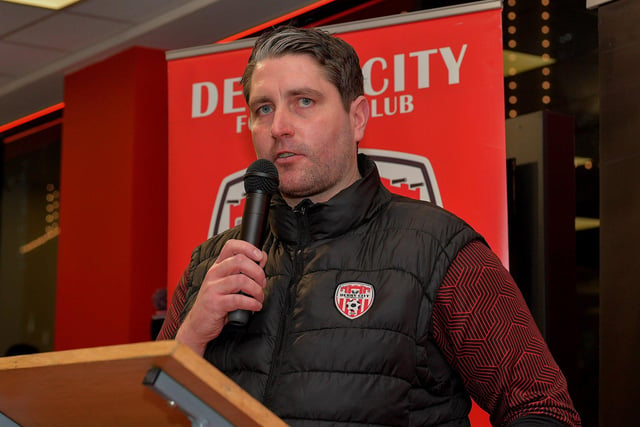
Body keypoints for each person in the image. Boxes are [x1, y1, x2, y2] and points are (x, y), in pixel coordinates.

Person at [158, 26, 581, 426]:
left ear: (357, 117)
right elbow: (139, 408)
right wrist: (192, 336)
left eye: (304, 101)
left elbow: (542, 408)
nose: (279, 128)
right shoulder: (210, 265)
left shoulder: (438, 250)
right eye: (263, 108)